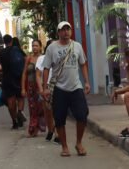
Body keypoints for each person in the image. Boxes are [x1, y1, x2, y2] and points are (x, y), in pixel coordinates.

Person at [41, 21, 91, 157]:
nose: (66, 32)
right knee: (59, 119)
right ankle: (64, 146)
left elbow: (83, 64)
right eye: (63, 30)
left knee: (82, 116)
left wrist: (86, 82)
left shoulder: (77, 46)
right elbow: (46, 68)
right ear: (58, 32)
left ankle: (79, 143)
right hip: (59, 88)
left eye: (68, 29)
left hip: (76, 87)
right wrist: (45, 87)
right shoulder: (52, 48)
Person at [0, 35, 27, 129]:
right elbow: (26, 60)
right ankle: (20, 112)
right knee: (20, 97)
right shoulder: (18, 50)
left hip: (7, 79)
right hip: (19, 78)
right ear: (11, 41)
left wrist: (4, 69)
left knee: (11, 102)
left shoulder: (1, 53)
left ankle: (14, 122)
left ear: (4, 42)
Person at [21, 38, 45, 137]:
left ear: (40, 47)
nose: (34, 48)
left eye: (36, 46)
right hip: (30, 86)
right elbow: (24, 74)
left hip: (41, 86)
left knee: (41, 107)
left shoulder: (44, 58)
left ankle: (41, 125)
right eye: (33, 46)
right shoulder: (28, 58)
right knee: (32, 107)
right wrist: (23, 88)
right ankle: (33, 127)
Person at [35, 39, 57, 142]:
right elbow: (38, 76)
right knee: (48, 111)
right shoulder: (41, 59)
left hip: (58, 86)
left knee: (57, 110)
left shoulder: (59, 58)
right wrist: (41, 89)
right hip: (46, 86)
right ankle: (50, 129)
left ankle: (58, 134)